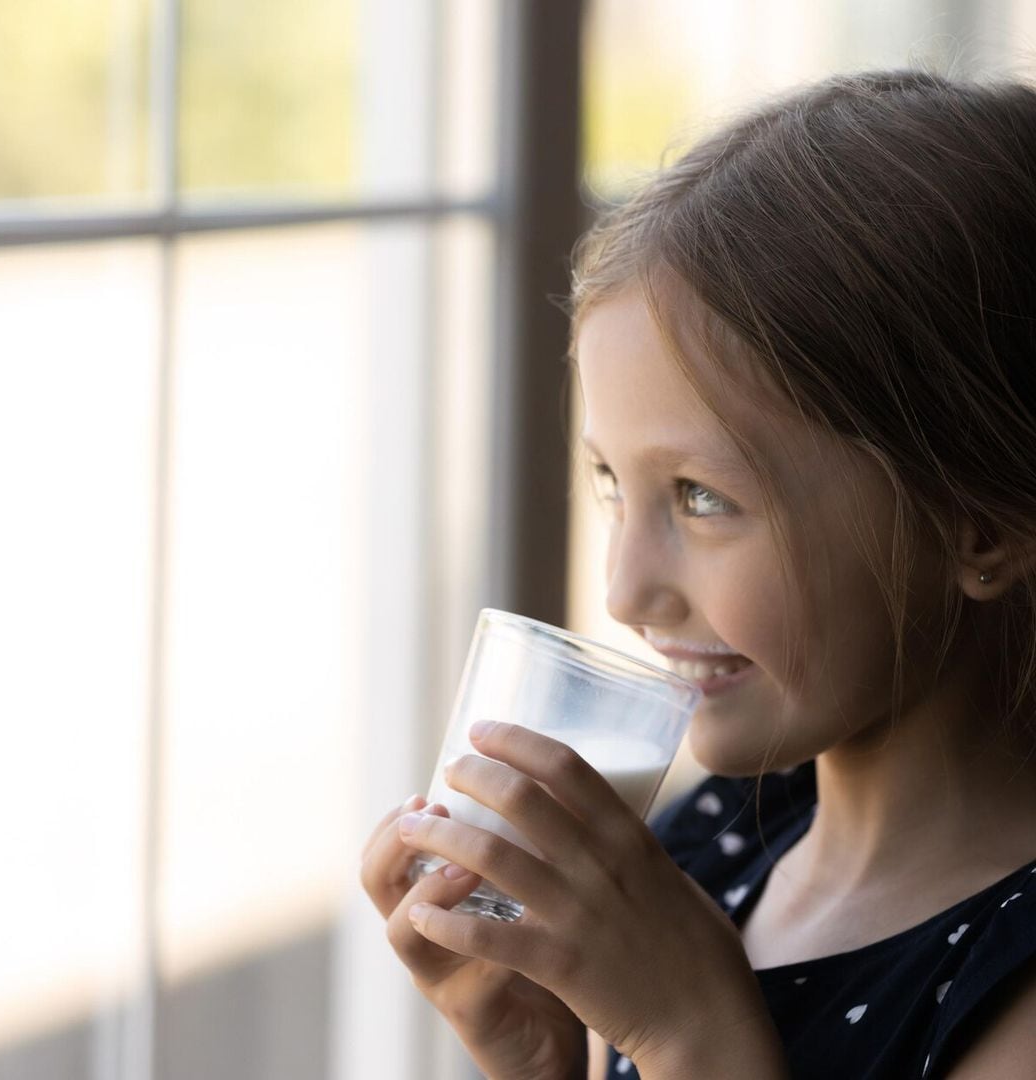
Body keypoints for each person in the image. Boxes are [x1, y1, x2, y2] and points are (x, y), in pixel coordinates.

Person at [360, 69, 1036, 1078]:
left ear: (977, 526)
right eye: (609, 484)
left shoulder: (1006, 983)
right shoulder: (712, 838)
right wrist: (537, 1062)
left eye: (702, 497)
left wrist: (691, 1037)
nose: (626, 591)